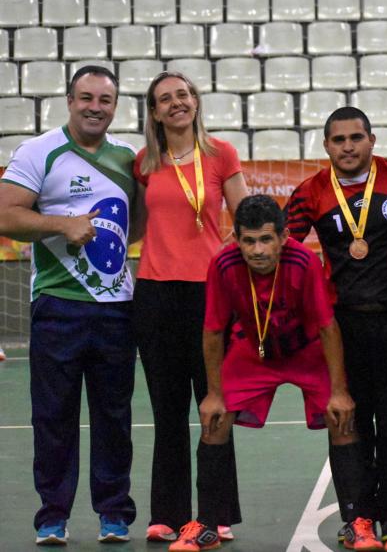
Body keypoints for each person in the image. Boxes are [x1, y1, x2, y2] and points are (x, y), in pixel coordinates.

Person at [0, 66, 140, 545]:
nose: (95, 107)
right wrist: (63, 226)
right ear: (69, 99)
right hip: (58, 305)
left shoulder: (127, 157)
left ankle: (114, 513)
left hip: (118, 308)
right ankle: (52, 516)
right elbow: (6, 214)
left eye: (105, 99)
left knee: (115, 417)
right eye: (86, 97)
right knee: (53, 416)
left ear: (115, 106)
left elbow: (137, 225)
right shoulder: (39, 151)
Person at [168, 195, 355, 552]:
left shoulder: (304, 262)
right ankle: (206, 524)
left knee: (341, 416)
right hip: (253, 350)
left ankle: (355, 520)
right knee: (215, 419)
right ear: (236, 239)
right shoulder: (223, 264)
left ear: (284, 237)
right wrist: (214, 393)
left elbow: (328, 327)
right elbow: (212, 331)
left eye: (266, 239)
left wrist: (340, 390)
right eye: (248, 240)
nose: (257, 250)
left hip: (305, 351)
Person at [286, 106, 387, 548]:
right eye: (338, 140)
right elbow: (285, 249)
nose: (348, 147)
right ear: (326, 145)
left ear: (372, 140)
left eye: (356, 138)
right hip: (342, 327)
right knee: (347, 420)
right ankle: (358, 518)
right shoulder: (311, 191)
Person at [133, 71, 248, 543]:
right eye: (166, 99)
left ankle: (216, 511)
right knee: (167, 410)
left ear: (195, 101)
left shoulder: (222, 154)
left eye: (183, 95)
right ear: (155, 112)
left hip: (210, 294)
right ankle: (169, 512)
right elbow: (140, 224)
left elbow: (245, 219)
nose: (176, 103)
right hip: (155, 295)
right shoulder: (144, 162)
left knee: (214, 406)